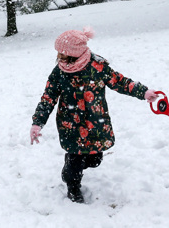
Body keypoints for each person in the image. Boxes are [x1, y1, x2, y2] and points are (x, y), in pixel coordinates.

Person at [29, 27, 159, 203]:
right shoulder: (59, 72)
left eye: (62, 54)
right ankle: (72, 185)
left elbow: (119, 82)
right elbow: (48, 98)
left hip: (95, 122)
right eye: (58, 54)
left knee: (95, 159)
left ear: (74, 53)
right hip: (71, 124)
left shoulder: (97, 67)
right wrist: (38, 122)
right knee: (75, 160)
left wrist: (142, 92)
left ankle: (75, 167)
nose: (59, 58)